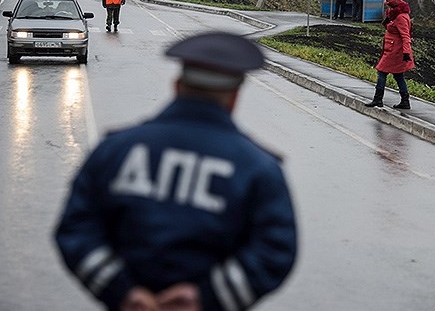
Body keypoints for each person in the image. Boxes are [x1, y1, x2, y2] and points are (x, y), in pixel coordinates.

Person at [54, 32, 298, 311]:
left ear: (177, 86)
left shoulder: (116, 149)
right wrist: (204, 298)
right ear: (233, 97)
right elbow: (275, 251)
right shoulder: (258, 168)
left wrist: (123, 291)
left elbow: (75, 229)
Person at [365, 0, 414, 109]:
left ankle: (378, 99)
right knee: (398, 76)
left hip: (396, 51)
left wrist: (406, 52)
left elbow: (405, 36)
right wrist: (387, 21)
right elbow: (392, 28)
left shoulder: (401, 17)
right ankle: (405, 101)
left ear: (392, 4)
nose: (386, 6)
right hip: (391, 49)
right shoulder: (394, 14)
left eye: (388, 4)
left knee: (382, 72)